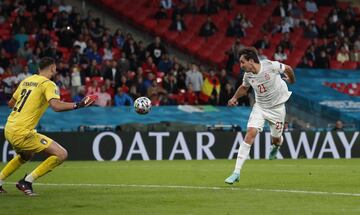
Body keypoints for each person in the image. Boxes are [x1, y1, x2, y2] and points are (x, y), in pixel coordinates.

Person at [0, 57, 97, 195]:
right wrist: (79, 104)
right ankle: (26, 182)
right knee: (62, 154)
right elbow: (56, 106)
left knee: (25, 156)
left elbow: (11, 103)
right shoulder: (48, 84)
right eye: (55, 67)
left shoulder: (27, 80)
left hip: (9, 128)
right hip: (22, 132)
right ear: (52, 67)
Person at [224, 47, 295, 184]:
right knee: (250, 132)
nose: (241, 65)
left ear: (251, 61)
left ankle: (276, 146)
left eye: (242, 62)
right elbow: (244, 88)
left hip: (277, 109)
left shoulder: (270, 65)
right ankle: (236, 172)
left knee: (276, 139)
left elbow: (288, 68)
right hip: (260, 108)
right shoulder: (248, 75)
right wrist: (234, 98)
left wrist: (291, 80)